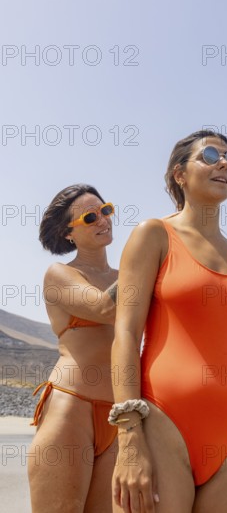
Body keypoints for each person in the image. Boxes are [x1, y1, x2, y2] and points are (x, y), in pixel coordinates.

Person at [111, 130, 227, 513]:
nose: (224, 163)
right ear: (179, 175)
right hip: (162, 423)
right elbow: (125, 333)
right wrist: (128, 438)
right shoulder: (153, 235)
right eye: (209, 155)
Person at [28, 184, 119, 513]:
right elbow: (104, 309)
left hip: (120, 415)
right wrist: (147, 255)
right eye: (90, 217)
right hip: (71, 408)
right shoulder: (60, 274)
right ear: (69, 234)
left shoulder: (128, 277)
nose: (103, 220)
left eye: (105, 210)